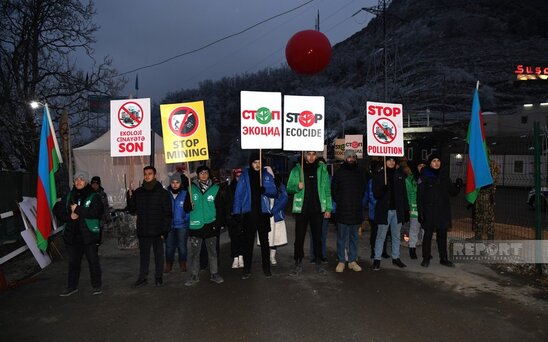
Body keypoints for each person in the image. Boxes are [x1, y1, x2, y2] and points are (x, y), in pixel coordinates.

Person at [53, 171, 104, 296]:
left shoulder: (94, 196)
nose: (78, 181)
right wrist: (70, 216)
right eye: (76, 179)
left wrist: (78, 210)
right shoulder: (69, 196)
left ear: (86, 181)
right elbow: (57, 210)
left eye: (81, 179)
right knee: (73, 263)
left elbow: (96, 212)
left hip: (89, 236)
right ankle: (72, 287)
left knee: (93, 261)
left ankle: (96, 286)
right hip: (72, 236)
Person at [287, 151, 332, 275]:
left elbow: (327, 190)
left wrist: (328, 208)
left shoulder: (322, 169)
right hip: (301, 209)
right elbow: (289, 187)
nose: (311, 157)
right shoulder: (297, 170)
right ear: (304, 155)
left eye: (313, 154)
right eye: (308, 154)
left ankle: (318, 263)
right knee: (299, 238)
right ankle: (298, 262)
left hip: (317, 209)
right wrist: (297, 186)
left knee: (318, 237)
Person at [233, 153, 277, 279]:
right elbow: (239, 195)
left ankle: (266, 268)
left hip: (263, 214)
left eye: (259, 162)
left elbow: (274, 192)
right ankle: (247, 269)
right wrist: (236, 212)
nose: (257, 165)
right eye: (255, 162)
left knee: (264, 242)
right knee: (248, 243)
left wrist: (265, 190)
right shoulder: (245, 176)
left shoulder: (266, 175)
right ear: (250, 163)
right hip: (249, 214)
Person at [127, 166, 172, 287]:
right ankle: (143, 278)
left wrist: (165, 230)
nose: (147, 176)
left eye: (150, 173)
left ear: (155, 175)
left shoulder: (163, 193)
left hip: (158, 231)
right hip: (143, 230)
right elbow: (132, 210)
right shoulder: (138, 192)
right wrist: (129, 197)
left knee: (158, 256)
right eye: (145, 174)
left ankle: (158, 277)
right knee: (144, 257)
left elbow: (168, 213)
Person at [184, 165, 225, 286]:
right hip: (195, 225)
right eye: (201, 173)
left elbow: (220, 208)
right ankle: (194, 275)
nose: (203, 175)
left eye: (206, 173)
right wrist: (189, 205)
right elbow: (186, 208)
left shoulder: (215, 189)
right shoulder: (191, 189)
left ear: (209, 174)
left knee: (212, 252)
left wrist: (217, 224)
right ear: (197, 175)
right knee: (195, 253)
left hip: (210, 225)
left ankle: (214, 273)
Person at [417, 154, 461, 267]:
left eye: (438, 161)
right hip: (429, 211)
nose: (436, 163)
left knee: (442, 236)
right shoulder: (424, 175)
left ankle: (444, 258)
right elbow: (420, 196)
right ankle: (426, 258)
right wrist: (420, 212)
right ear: (430, 163)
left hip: (442, 211)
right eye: (434, 161)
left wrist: (458, 185)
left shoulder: (444, 176)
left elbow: (453, 192)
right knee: (428, 235)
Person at [331, 149, 367, 273]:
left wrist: (357, 201)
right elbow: (334, 190)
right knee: (341, 238)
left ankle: (352, 261)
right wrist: (341, 201)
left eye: (353, 157)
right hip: (343, 211)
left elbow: (363, 190)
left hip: (356, 211)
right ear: (345, 158)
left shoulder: (360, 172)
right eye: (349, 157)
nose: (351, 158)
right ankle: (341, 261)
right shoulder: (339, 173)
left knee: (354, 238)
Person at [372, 156, 409, 271]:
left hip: (397, 211)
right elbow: (376, 194)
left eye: (393, 160)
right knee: (381, 235)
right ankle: (377, 259)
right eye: (389, 160)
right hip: (385, 211)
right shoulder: (380, 175)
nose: (391, 162)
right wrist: (383, 189)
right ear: (385, 161)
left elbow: (403, 194)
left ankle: (396, 257)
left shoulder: (399, 175)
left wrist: (405, 210)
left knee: (396, 235)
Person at [261, 170, 288, 266]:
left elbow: (284, 199)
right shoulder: (262, 185)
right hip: (265, 214)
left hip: (276, 215)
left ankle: (272, 256)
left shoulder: (280, 186)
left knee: (276, 237)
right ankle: (265, 256)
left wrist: (274, 210)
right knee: (265, 237)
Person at [164, 172, 190, 273]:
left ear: (180, 183)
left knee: (182, 246)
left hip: (182, 225)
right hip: (169, 225)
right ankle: (169, 264)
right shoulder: (166, 194)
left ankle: (183, 262)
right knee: (169, 246)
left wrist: (186, 220)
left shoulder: (185, 193)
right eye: (173, 182)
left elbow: (188, 209)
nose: (175, 184)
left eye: (177, 182)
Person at [309, 156, 331, 263]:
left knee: (323, 234)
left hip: (323, 210)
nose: (322, 166)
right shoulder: (312, 176)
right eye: (319, 164)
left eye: (323, 164)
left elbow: (329, 194)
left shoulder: (328, 177)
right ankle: (313, 255)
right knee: (313, 234)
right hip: (313, 209)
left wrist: (328, 209)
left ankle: (322, 254)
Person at [472, 159, 499, 240]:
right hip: (477, 194)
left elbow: (492, 181)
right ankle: (478, 236)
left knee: (488, 218)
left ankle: (490, 239)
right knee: (478, 217)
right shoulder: (478, 163)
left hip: (487, 194)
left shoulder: (492, 164)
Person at [403, 161, 423, 260]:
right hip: (414, 208)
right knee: (414, 229)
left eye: (424, 166)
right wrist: (409, 208)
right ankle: (412, 249)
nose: (422, 168)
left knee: (425, 230)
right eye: (420, 165)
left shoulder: (428, 178)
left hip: (426, 208)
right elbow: (407, 194)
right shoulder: (410, 179)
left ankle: (425, 249)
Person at [225, 168, 245, 269]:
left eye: (241, 176)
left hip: (244, 217)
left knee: (243, 238)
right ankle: (235, 257)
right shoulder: (230, 188)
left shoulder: (246, 187)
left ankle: (241, 256)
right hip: (233, 217)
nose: (239, 178)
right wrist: (229, 216)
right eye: (237, 176)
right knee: (234, 238)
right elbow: (227, 203)